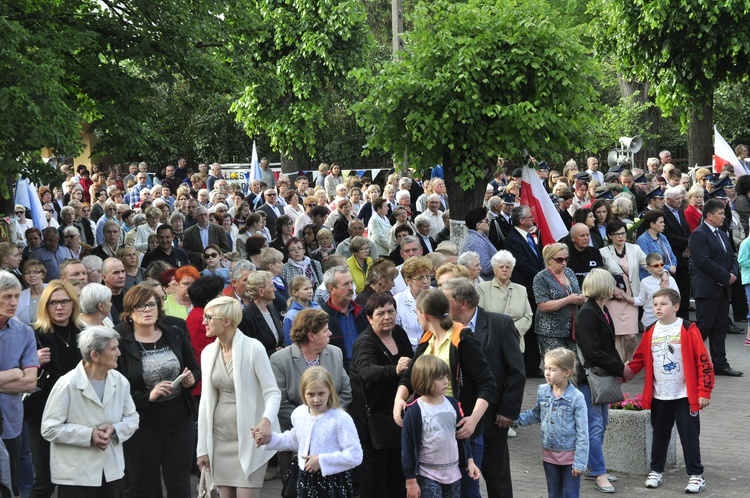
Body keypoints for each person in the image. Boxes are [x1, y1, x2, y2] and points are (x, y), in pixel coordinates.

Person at [393, 289, 495, 498]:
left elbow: (487, 383)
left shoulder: (462, 338)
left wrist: (473, 420)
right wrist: (399, 398)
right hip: (431, 432)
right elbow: (410, 376)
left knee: (468, 489)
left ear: (424, 314)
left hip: (460, 428)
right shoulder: (426, 339)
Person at [441, 278, 526, 497]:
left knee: (496, 475)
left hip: (491, 418)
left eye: (445, 298)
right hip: (457, 419)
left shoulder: (500, 324)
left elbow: (516, 371)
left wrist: (508, 411)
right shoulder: (446, 329)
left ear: (461, 302)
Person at [114, 284, 200, 498]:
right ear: (130, 312)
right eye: (140, 306)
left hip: (180, 420)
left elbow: (195, 369)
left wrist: (190, 379)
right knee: (143, 485)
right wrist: (147, 396)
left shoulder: (175, 332)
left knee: (179, 484)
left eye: (151, 305)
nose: (147, 310)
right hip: (142, 424)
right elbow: (115, 389)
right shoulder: (118, 340)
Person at [625, 288, 714, 493]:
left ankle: (696, 475)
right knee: (659, 435)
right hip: (659, 394)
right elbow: (638, 360)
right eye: (655, 304)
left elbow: (703, 361)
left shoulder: (688, 328)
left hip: (684, 395)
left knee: (689, 436)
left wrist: (704, 391)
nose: (658, 308)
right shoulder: (649, 331)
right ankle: (656, 471)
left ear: (675, 306)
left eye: (663, 304)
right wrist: (620, 373)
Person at [196, 296, 281, 497]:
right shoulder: (208, 352)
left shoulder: (254, 348)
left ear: (226, 321)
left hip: (250, 435)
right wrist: (202, 448)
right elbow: (205, 403)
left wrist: (266, 421)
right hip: (219, 438)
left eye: (209, 317)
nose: (203, 322)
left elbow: (272, 392)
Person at [40, 326, 139, 497]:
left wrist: (114, 429)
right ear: (95, 355)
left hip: (111, 472)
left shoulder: (120, 381)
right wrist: (89, 435)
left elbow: (133, 418)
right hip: (76, 477)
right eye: (113, 348)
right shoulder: (67, 384)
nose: (119, 353)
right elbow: (49, 428)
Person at [270, 309, 352, 486]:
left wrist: (329, 420)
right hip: (295, 438)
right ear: (311, 336)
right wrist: (306, 422)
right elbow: (279, 400)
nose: (330, 333)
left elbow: (345, 391)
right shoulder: (280, 360)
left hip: (331, 442)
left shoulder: (335, 353)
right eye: (325, 330)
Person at [257, 366, 362, 497]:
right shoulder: (299, 414)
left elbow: (355, 455)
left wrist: (322, 461)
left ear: (330, 391)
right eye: (311, 394)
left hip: (332, 481)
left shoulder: (341, 419)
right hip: (305, 478)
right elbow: (294, 440)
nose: (316, 399)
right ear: (303, 393)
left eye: (321, 393)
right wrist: (269, 439)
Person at [349, 293, 413, 498]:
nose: (387, 317)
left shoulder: (399, 333)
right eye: (380, 313)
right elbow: (367, 371)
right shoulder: (365, 342)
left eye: (391, 311)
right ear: (369, 318)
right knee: (375, 477)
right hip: (373, 420)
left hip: (397, 414)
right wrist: (395, 370)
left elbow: (411, 365)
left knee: (397, 471)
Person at [574, 269, 630, 494]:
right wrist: (620, 367)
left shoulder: (602, 309)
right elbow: (593, 352)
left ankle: (592, 466)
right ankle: (598, 472)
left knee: (601, 423)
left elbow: (608, 346)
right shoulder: (587, 313)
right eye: (612, 284)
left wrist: (620, 368)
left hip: (603, 375)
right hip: (591, 378)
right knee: (594, 426)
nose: (616, 288)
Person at [401, 355, 480, 498]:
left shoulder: (453, 404)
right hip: (427, 475)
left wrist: (470, 461)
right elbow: (407, 448)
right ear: (424, 380)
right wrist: (411, 481)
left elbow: (461, 436)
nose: (446, 381)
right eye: (439, 378)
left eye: (446, 376)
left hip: (453, 473)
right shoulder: (414, 411)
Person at [516, 348, 588, 498]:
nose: (547, 373)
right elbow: (536, 414)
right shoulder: (543, 391)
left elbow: (583, 432)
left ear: (567, 373)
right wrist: (513, 420)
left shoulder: (576, 398)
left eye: (552, 369)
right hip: (549, 454)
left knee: (570, 494)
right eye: (546, 368)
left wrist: (580, 462)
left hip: (570, 456)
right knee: (553, 493)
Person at [688, 198, 743, 376]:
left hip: (723, 289)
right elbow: (703, 261)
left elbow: (732, 257)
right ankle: (689, 361)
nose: (723, 217)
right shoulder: (699, 234)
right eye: (720, 214)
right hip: (708, 289)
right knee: (704, 327)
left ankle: (720, 364)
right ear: (709, 215)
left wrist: (733, 273)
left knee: (720, 328)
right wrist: (726, 276)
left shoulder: (721, 233)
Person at [599, 220, 648, 360]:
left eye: (623, 233)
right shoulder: (602, 252)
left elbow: (649, 264)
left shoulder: (635, 249)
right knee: (616, 336)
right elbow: (600, 274)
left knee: (631, 336)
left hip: (631, 297)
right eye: (617, 234)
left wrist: (663, 270)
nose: (621, 237)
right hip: (612, 297)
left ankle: (629, 361)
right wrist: (612, 287)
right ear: (610, 236)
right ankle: (620, 366)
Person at [533, 243, 585, 357]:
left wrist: (581, 298)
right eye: (559, 260)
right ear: (549, 260)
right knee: (557, 364)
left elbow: (577, 291)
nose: (564, 263)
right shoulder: (541, 277)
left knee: (572, 364)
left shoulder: (569, 272)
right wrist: (568, 299)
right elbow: (542, 305)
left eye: (566, 259)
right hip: (550, 331)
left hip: (571, 329)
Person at [477, 250, 533, 353]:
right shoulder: (483, 288)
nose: (505, 270)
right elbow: (480, 315)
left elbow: (528, 315)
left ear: (512, 270)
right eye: (501, 267)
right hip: (491, 342)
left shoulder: (521, 289)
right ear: (494, 270)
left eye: (508, 267)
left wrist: (513, 330)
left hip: (515, 342)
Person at [186, 276, 226, 398]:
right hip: (205, 384)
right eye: (220, 293)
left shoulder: (200, 314)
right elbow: (208, 351)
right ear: (209, 298)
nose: (224, 295)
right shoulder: (201, 318)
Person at [238, 271, 285, 356]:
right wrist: (275, 353)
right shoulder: (246, 316)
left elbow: (281, 338)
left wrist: (283, 349)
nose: (275, 289)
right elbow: (249, 350)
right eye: (271, 286)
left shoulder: (272, 308)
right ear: (261, 291)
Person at [394, 257, 434, 350]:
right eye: (420, 278)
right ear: (408, 280)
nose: (426, 281)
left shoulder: (438, 295)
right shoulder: (398, 300)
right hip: (408, 351)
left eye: (428, 276)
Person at [637, 210, 677, 280]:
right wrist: (669, 268)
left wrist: (673, 266)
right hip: (651, 279)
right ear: (652, 224)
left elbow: (672, 256)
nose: (664, 224)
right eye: (661, 222)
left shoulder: (663, 237)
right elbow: (648, 262)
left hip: (667, 276)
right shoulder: (642, 240)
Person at [282, 276, 321, 345]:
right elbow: (289, 340)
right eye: (306, 289)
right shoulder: (291, 315)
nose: (310, 291)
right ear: (295, 293)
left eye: (311, 288)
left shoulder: (317, 308)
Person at [462, 208, 497, 280]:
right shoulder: (477, 242)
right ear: (478, 225)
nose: (488, 223)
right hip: (483, 281)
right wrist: (501, 263)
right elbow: (485, 268)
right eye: (486, 221)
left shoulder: (478, 236)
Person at [17, 259, 47, 325]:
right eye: (27, 273)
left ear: (43, 274)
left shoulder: (52, 290)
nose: (32, 275)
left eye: (36, 272)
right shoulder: (20, 296)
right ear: (24, 277)